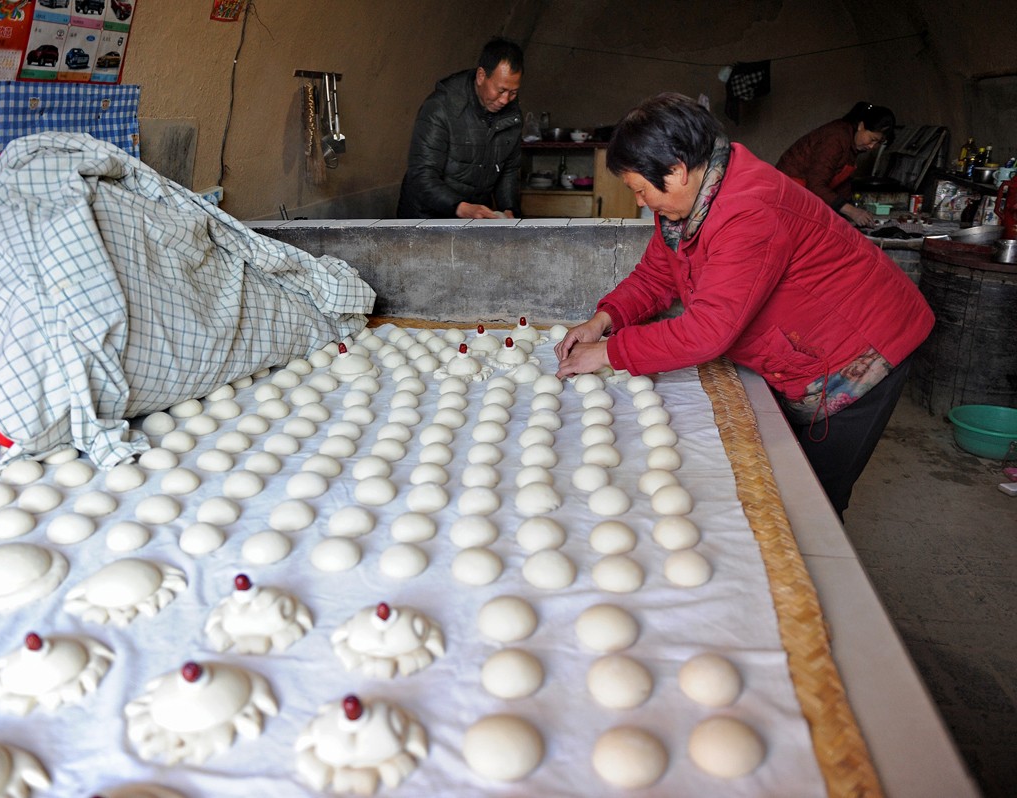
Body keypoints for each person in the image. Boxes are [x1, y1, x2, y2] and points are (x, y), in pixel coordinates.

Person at [554, 93, 932, 519]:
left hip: (861, 347)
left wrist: (607, 353)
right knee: (785, 478)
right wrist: (604, 319)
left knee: (814, 501)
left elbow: (709, 331)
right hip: (802, 342)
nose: (641, 202)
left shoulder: (748, 209)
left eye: (640, 189)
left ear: (676, 170)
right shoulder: (687, 205)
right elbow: (657, 276)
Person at [396, 37, 524, 219]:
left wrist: (509, 209)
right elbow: (421, 175)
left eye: (513, 92)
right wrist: (461, 208)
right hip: (425, 219)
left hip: (473, 218)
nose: (505, 100)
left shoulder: (512, 116)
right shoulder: (441, 108)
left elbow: (508, 170)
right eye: (501, 90)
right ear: (481, 76)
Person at [775, 101, 895, 227]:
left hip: (807, 196)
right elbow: (815, 185)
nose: (872, 146)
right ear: (861, 126)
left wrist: (850, 210)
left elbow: (841, 184)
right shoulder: (835, 138)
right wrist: (851, 211)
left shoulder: (852, 143)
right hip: (790, 195)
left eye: (877, 144)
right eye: (872, 139)